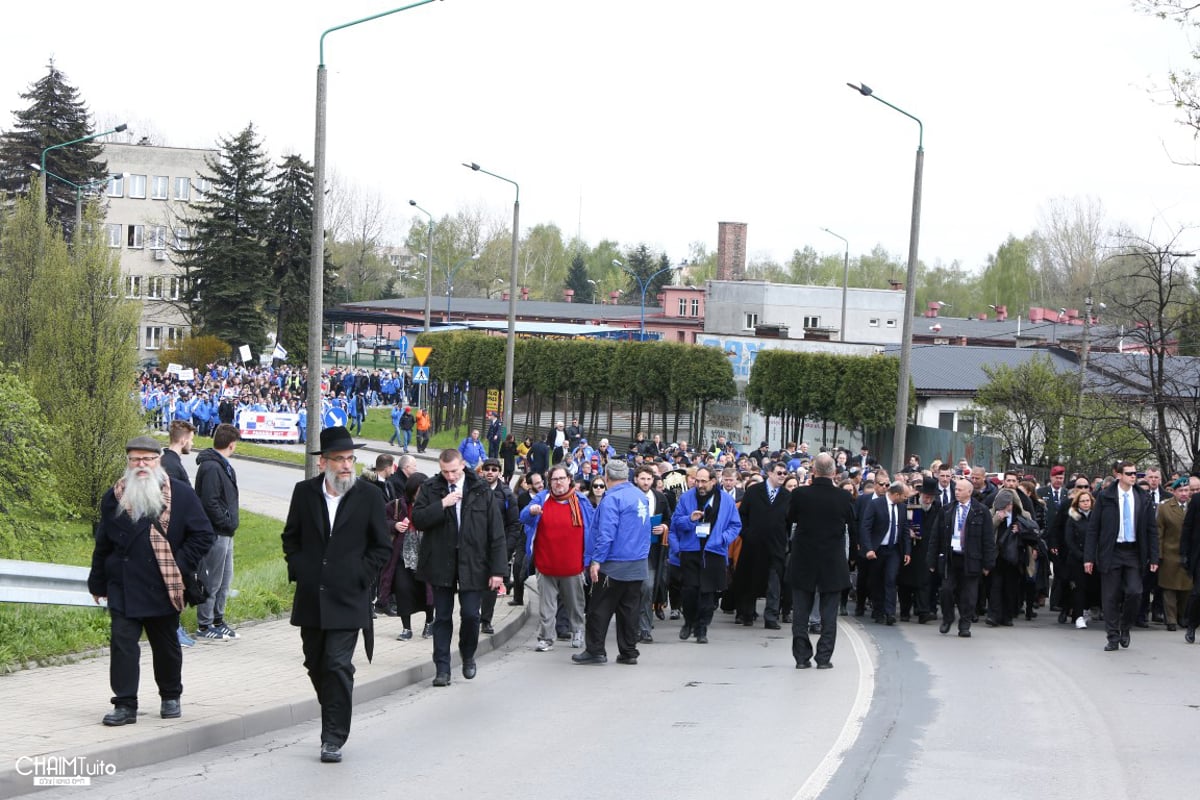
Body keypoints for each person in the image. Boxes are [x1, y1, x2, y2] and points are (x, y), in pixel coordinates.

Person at [281, 426, 392, 763]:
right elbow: (291, 538)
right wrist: (301, 568)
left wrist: (360, 574)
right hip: (312, 598)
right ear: (323, 463)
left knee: (337, 664)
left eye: (350, 459)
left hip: (349, 598)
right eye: (339, 459)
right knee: (316, 663)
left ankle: (333, 736)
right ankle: (333, 707)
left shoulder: (369, 496)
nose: (346, 465)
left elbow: (381, 547)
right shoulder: (304, 493)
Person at [88, 436, 214, 726]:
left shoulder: (180, 495)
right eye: (135, 459)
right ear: (128, 463)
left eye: (147, 459)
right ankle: (124, 705)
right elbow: (103, 543)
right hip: (123, 584)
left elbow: (203, 534)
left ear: (158, 461)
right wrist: (97, 583)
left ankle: (170, 695)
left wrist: (178, 564)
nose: (141, 464)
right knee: (122, 644)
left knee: (166, 645)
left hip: (164, 585)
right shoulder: (115, 496)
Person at [411, 449, 506, 686]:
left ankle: (468, 655)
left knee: (471, 615)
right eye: (445, 472)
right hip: (441, 561)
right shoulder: (432, 487)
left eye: (454, 471)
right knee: (442, 617)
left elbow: (496, 532)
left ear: (463, 465)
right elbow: (418, 519)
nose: (450, 477)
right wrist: (442, 504)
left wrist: (498, 571)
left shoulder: (481, 489)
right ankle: (442, 669)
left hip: (473, 562)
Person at [572, 460, 651, 665]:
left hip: (613, 564)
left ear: (607, 477)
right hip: (637, 563)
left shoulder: (611, 499)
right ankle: (628, 652)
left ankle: (596, 650)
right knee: (629, 610)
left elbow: (606, 534)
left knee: (599, 609)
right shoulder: (640, 497)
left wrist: (596, 560)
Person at [786, 453, 855, 669]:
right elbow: (851, 525)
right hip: (832, 561)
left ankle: (801, 658)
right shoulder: (843, 497)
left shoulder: (799, 494)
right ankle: (824, 658)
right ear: (834, 472)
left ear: (813, 471)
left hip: (803, 559)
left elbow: (790, 520)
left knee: (801, 613)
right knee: (828, 614)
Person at [1085, 460, 1160, 652]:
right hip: (1112, 551)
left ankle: (1125, 626)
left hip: (1134, 551)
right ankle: (1112, 636)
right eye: (1129, 473)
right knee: (1110, 596)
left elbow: (1152, 530)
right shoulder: (1105, 497)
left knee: (1135, 592)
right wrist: (1089, 557)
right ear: (1118, 475)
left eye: (1135, 473)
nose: (1133, 477)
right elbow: (1093, 529)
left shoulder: (1142, 497)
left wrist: (1153, 557)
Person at [522, 464, 595, 651]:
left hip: (573, 566)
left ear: (569, 480)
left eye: (562, 478)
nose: (558, 483)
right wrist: (532, 511)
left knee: (575, 604)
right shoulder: (542, 498)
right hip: (546, 564)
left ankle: (578, 631)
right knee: (547, 607)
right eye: (554, 479)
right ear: (549, 482)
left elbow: (593, 528)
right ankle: (546, 638)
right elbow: (523, 516)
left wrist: (591, 559)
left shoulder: (580, 501)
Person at [669, 465, 742, 643]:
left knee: (707, 593)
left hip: (714, 551)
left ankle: (702, 628)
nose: (699, 485)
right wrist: (689, 519)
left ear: (713, 481)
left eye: (703, 481)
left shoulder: (726, 500)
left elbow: (735, 525)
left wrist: (723, 538)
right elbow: (676, 523)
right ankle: (689, 622)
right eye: (697, 481)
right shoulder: (686, 498)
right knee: (690, 591)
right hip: (690, 550)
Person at [926, 478, 995, 637]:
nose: (956, 492)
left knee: (969, 595)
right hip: (951, 557)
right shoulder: (947, 510)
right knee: (946, 590)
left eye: (960, 490)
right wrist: (931, 559)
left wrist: (988, 564)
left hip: (971, 558)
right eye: (956, 489)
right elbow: (936, 536)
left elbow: (988, 539)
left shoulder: (981, 511)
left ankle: (965, 624)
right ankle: (947, 618)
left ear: (969, 492)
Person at [193, 423, 242, 641]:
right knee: (211, 580)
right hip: (216, 532)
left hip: (226, 533)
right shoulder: (212, 467)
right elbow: (209, 502)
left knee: (224, 580)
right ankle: (205, 624)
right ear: (231, 445)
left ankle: (218, 619)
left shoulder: (222, 466)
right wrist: (226, 521)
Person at [731, 460, 792, 630]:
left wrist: (786, 541)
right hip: (754, 545)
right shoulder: (754, 491)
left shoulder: (787, 496)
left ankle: (771, 617)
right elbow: (742, 516)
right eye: (779, 473)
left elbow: (789, 521)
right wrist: (747, 534)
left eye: (784, 473)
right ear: (770, 473)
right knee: (751, 580)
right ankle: (747, 614)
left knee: (774, 583)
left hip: (776, 546)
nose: (782, 476)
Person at [160, 419, 197, 648]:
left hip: (174, 534)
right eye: (191, 439)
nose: (192, 443)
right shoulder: (171, 465)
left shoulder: (170, 461)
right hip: (173, 536)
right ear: (183, 439)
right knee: (175, 582)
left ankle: (174, 626)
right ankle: (173, 628)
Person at [859, 481, 912, 625]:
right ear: (896, 494)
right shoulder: (876, 504)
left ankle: (890, 613)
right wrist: (869, 548)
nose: (906, 498)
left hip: (894, 549)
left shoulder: (902, 507)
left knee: (891, 579)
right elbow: (866, 527)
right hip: (877, 549)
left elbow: (905, 530)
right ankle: (878, 610)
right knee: (875, 581)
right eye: (904, 496)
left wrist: (907, 551)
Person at [477, 458, 523, 626]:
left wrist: (507, 549)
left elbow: (514, 524)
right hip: (475, 545)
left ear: (499, 472)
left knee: (492, 584)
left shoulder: (507, 494)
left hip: (497, 546)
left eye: (494, 469)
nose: (490, 472)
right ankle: (473, 616)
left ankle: (486, 620)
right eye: (487, 469)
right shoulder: (475, 490)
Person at [1156, 477, 1192, 632]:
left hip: (1189, 553)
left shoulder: (1194, 506)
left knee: (1186, 587)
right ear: (1175, 492)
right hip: (1170, 552)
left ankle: (1182, 616)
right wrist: (1158, 554)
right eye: (1181, 491)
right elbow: (1159, 532)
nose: (1184, 494)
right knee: (1169, 588)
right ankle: (1170, 620)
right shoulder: (1164, 507)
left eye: (1186, 490)